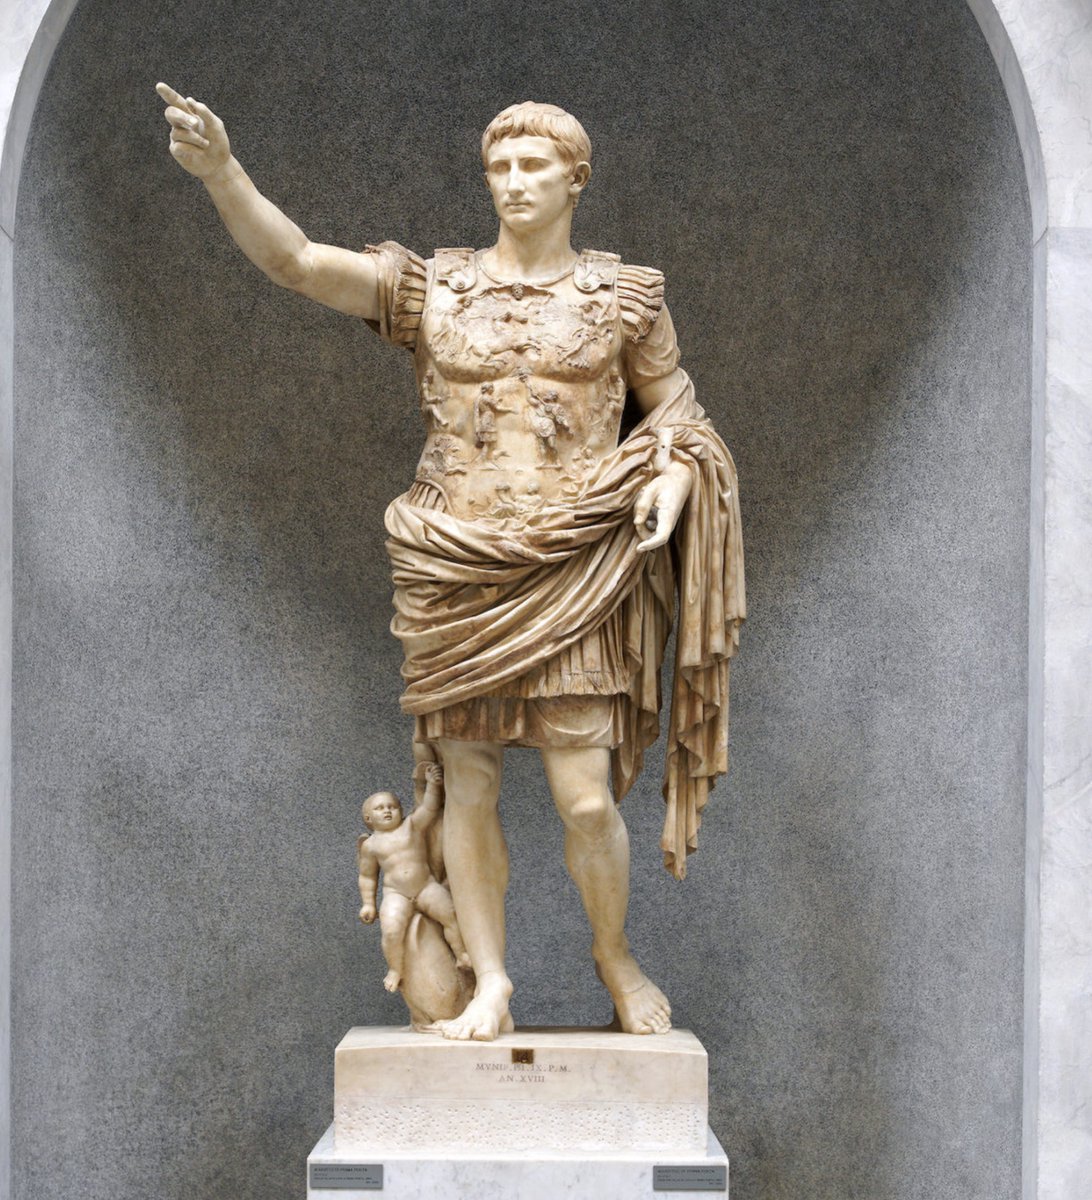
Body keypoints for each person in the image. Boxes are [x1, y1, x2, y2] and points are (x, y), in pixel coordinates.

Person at [158, 86, 745, 1042]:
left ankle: (612, 951)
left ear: (576, 180)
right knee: (466, 785)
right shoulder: (436, 288)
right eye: (498, 166)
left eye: (534, 166)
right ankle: (493, 984)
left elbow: (681, 416)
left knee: (584, 798)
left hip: (573, 563)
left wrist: (676, 478)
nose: (513, 182)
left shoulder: (625, 297)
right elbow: (298, 262)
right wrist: (223, 172)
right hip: (453, 564)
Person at [357, 764, 470, 994]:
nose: (387, 811)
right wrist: (368, 903)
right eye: (380, 808)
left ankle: (461, 954)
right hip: (396, 893)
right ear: (368, 818)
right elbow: (367, 876)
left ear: (401, 810)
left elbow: (429, 807)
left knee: (451, 915)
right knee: (391, 930)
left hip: (425, 886)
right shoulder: (370, 845)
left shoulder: (412, 826)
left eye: (392, 806)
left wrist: (433, 784)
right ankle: (395, 969)